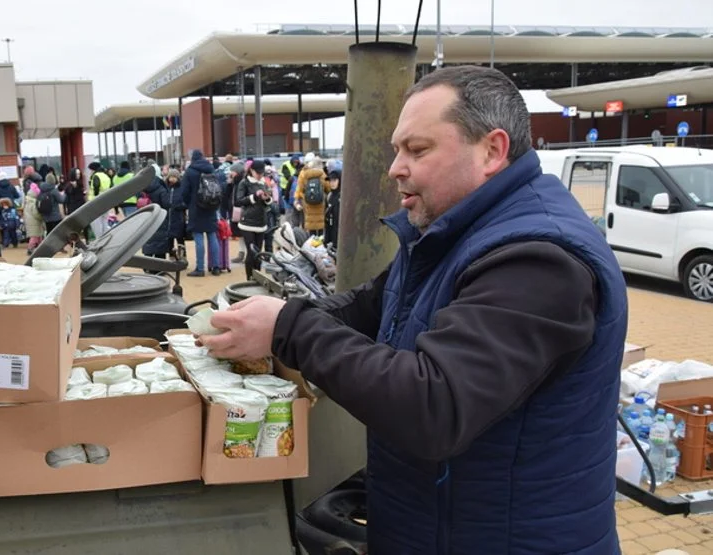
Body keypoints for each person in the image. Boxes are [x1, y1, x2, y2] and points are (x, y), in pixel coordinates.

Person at [198, 66, 628, 554]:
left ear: (493, 150)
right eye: (396, 150)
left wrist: (289, 327)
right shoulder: (454, 229)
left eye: (418, 150)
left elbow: (435, 405)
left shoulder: (538, 259)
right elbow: (374, 304)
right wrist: (281, 318)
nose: (395, 168)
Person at [180, 149, 221, 277]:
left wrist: (188, 204)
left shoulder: (190, 171)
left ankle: (200, 268)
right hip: (211, 206)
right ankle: (216, 267)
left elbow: (184, 192)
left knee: (198, 238)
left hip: (196, 207)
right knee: (212, 236)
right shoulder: (211, 169)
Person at [233, 161, 272, 280]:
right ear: (251, 170)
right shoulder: (244, 183)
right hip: (247, 223)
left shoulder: (263, 182)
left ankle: (258, 277)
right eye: (257, 173)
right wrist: (254, 196)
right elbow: (238, 201)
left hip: (261, 221)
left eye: (261, 173)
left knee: (258, 252)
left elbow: (268, 204)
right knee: (251, 252)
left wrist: (267, 198)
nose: (259, 175)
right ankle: (249, 278)